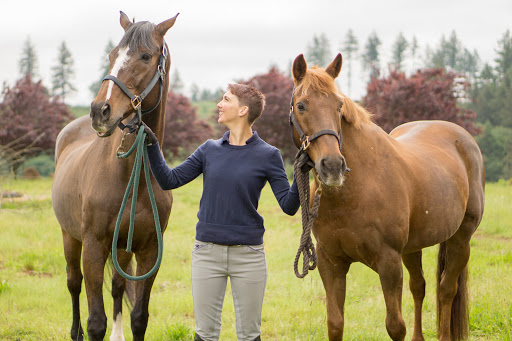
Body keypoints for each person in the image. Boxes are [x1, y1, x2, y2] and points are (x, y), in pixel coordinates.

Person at [144, 83, 300, 341]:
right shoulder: (209, 150)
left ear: (243, 110)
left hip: (249, 256)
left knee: (250, 335)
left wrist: (302, 172)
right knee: (204, 334)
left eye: (226, 99)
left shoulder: (269, 155)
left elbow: (288, 205)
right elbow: (169, 180)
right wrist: (151, 144)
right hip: (207, 253)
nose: (219, 103)